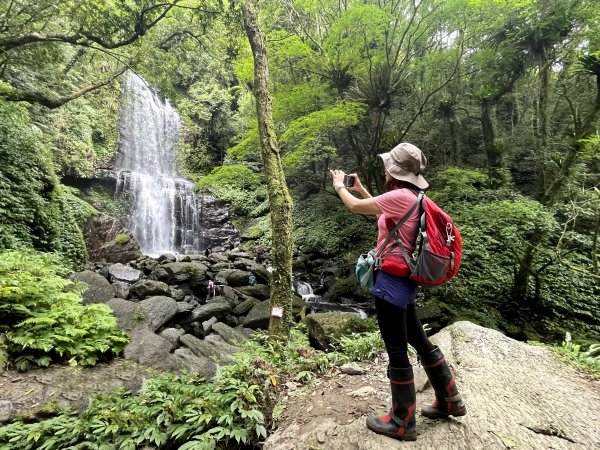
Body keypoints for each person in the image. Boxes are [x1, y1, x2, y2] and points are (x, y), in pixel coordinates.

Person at [330, 142, 466, 442]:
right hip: (406, 279)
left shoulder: (398, 196)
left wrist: (341, 186)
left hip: (391, 280)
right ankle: (449, 399)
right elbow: (379, 212)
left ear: (395, 170)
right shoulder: (413, 196)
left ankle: (402, 420)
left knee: (396, 348)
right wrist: (363, 189)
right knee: (417, 337)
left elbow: (353, 208)